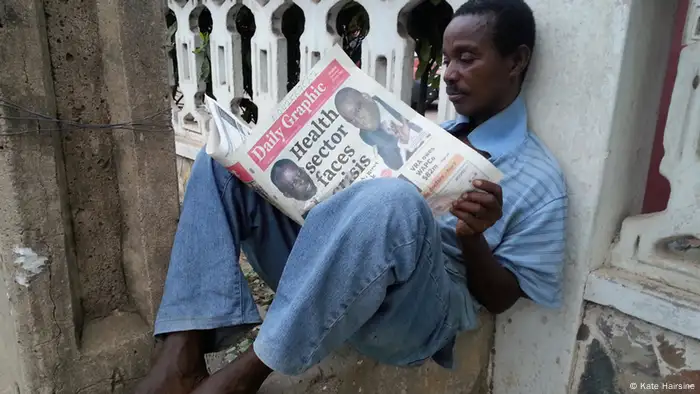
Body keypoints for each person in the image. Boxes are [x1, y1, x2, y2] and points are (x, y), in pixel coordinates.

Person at [135, 0, 567, 393]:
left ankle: (249, 372)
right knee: (221, 165)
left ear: (517, 61)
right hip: (335, 273)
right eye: (448, 58)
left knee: (394, 201)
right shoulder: (429, 135)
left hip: (415, 316)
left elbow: (502, 299)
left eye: (467, 58)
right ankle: (182, 354)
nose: (448, 73)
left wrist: (472, 237)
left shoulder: (540, 179)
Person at [334, 87, 425, 170]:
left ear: (366, 97)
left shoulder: (388, 98)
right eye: (352, 120)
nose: (359, 120)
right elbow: (396, 164)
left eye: (357, 111)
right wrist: (404, 142)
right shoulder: (366, 136)